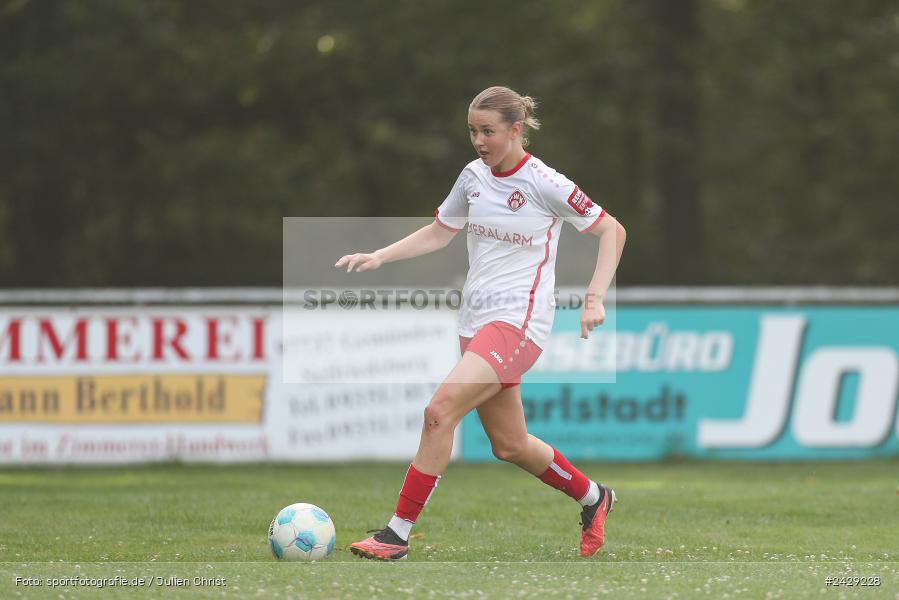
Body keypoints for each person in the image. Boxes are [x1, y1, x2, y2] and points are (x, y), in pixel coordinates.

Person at [335, 86, 626, 561]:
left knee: (439, 411)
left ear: (516, 130)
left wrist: (594, 297)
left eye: (487, 131)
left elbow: (612, 229)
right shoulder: (473, 176)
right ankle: (595, 498)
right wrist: (380, 256)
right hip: (476, 322)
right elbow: (439, 231)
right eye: (472, 130)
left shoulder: (544, 181)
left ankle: (396, 534)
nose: (478, 141)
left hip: (518, 324)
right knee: (510, 445)